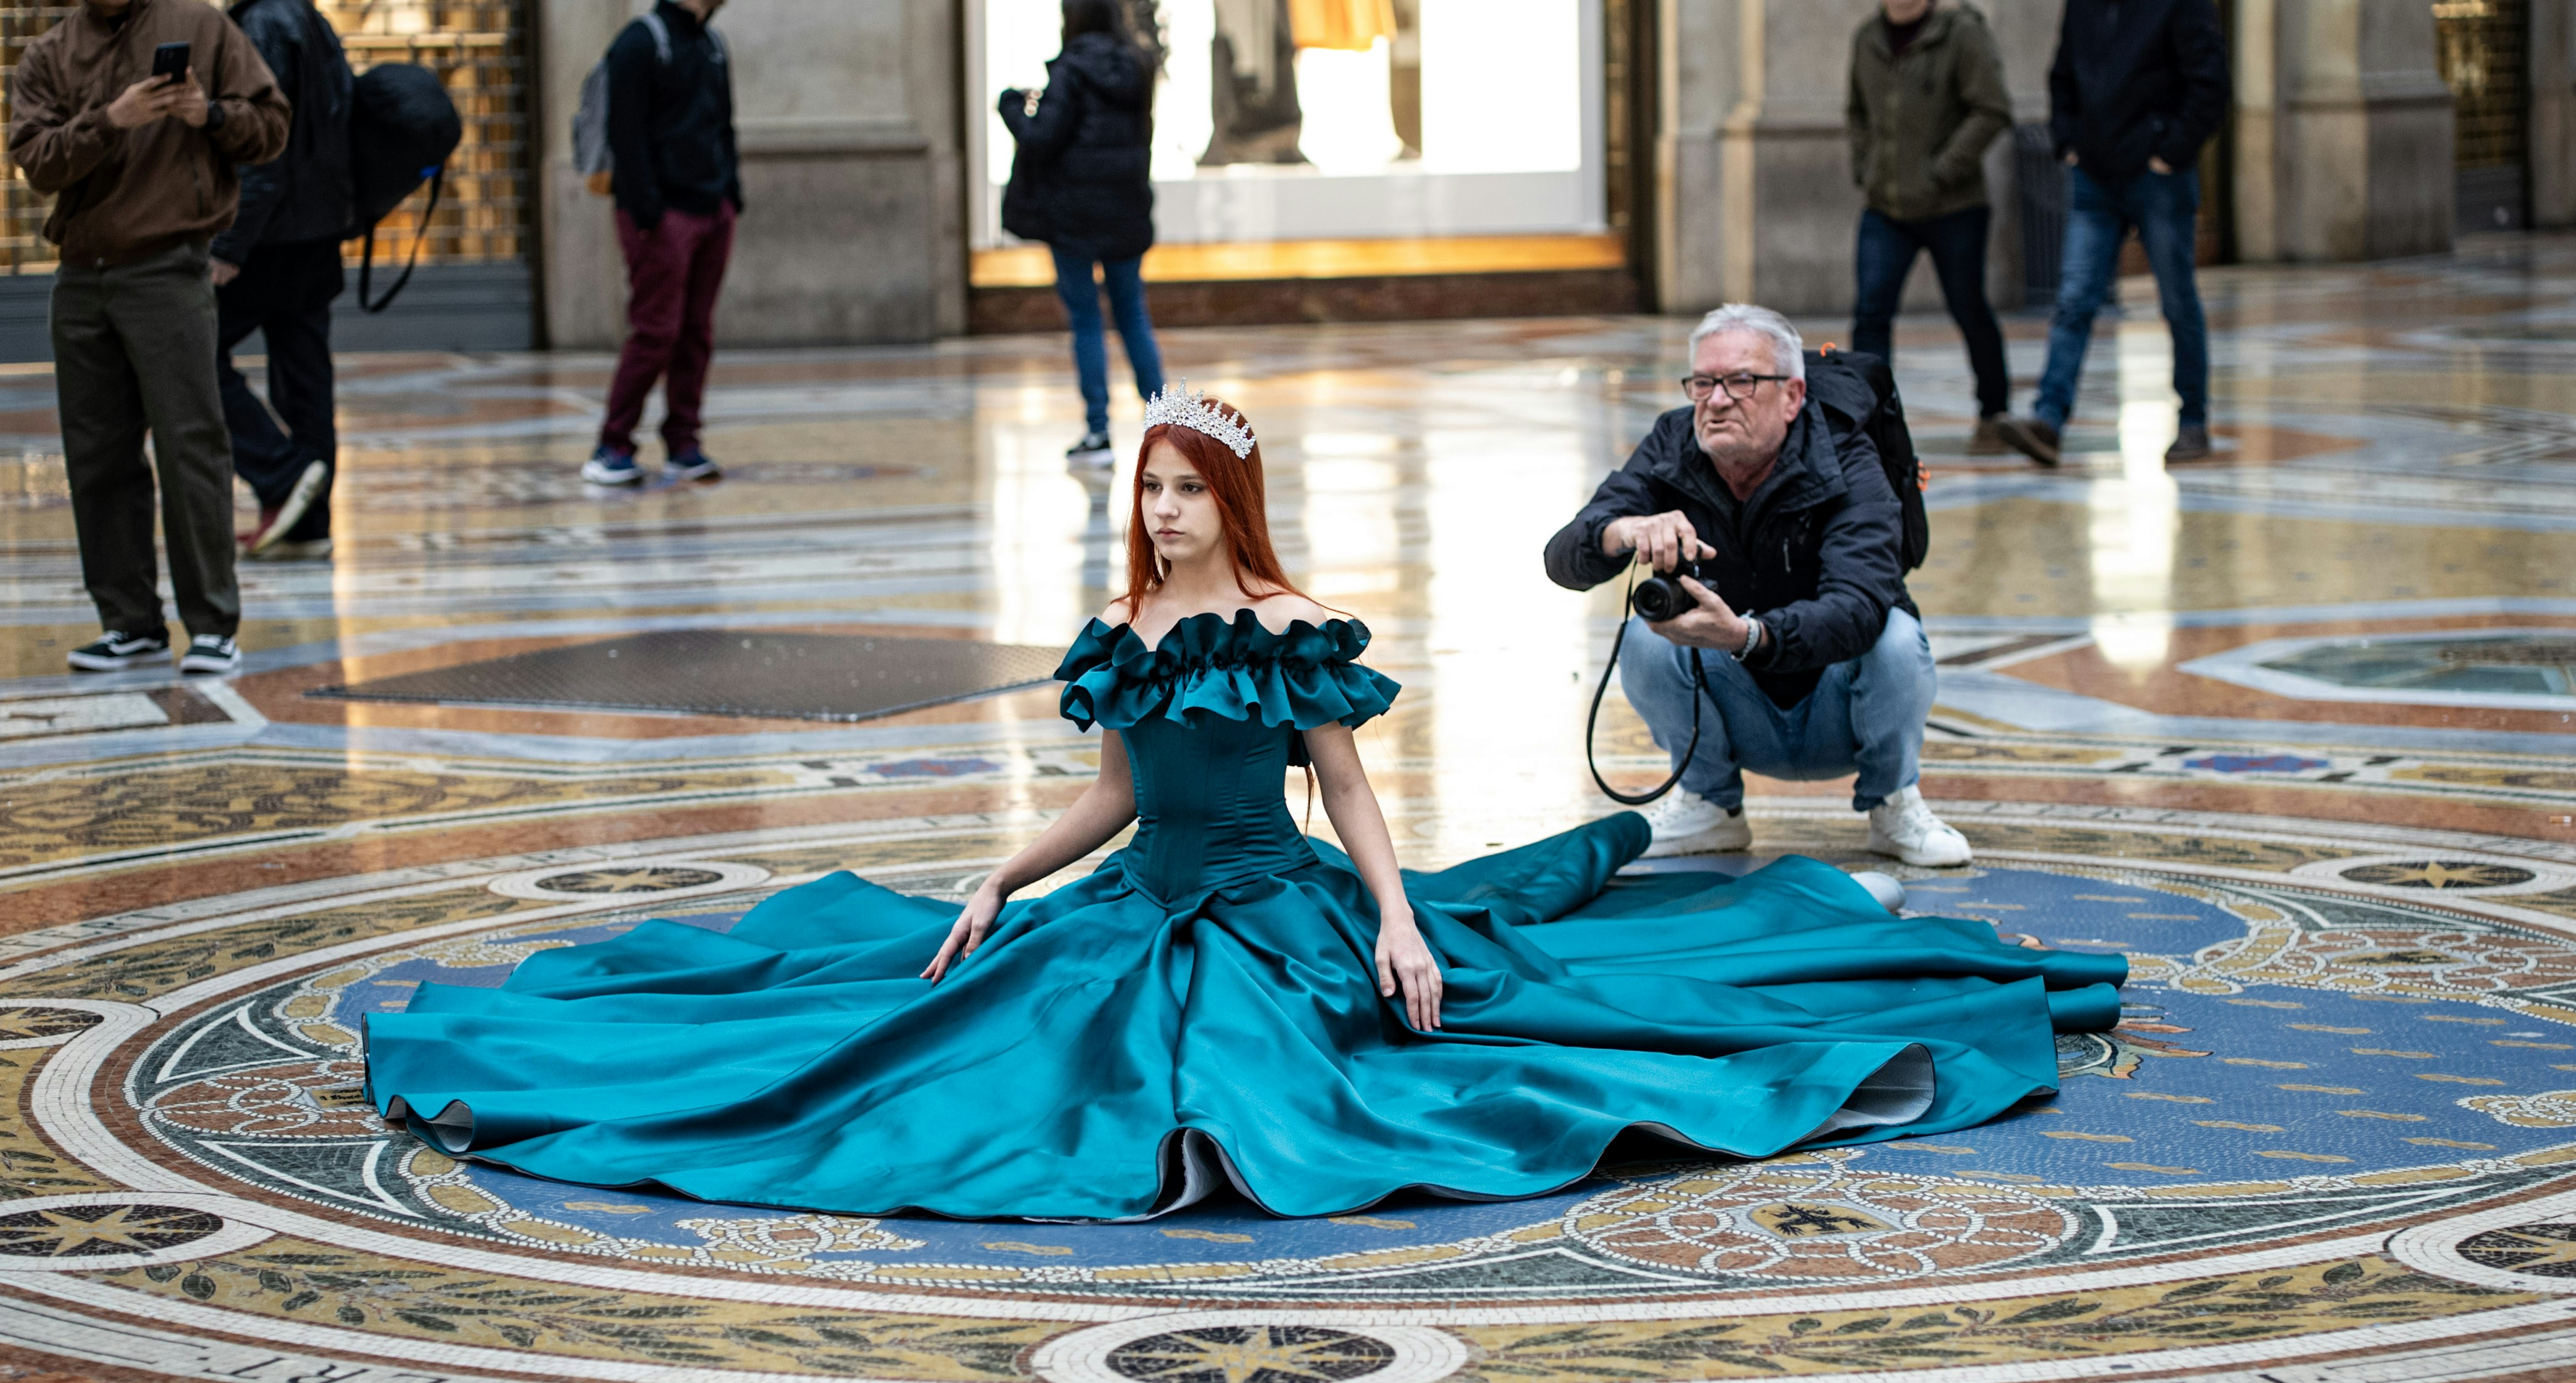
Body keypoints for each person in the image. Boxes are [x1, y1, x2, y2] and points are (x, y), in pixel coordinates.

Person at [361, 388, 2125, 1222]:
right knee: (927, 1039)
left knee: (1366, 1058)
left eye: (1188, 485)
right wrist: (996, 872)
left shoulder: (1288, 628)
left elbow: (1352, 792)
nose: (1164, 505)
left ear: (1234, 499)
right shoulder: (1123, 628)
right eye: (1149, 485)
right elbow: (1112, 802)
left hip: (1282, 901)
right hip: (1140, 899)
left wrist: (1400, 914)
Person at [1545, 304, 1972, 867]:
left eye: (1741, 382)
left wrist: (1747, 635)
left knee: (1895, 635)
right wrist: (1621, 530)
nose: (1716, 400)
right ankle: (1709, 804)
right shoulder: (1674, 441)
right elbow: (1561, 559)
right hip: (1736, 708)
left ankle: (1893, 801)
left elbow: (1859, 607)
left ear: (1792, 396)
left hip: (1837, 707)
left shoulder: (1848, 456)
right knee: (1644, 636)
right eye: (1703, 382)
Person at [9, 0, 290, 676]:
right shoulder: (51, 51)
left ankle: (213, 625)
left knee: (189, 444)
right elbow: (35, 162)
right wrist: (112, 120)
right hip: (81, 276)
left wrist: (209, 115)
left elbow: (272, 126)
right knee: (97, 454)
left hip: (167, 267)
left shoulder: (201, 26)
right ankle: (129, 621)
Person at [1992, 0, 2227, 469]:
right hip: (2096, 177)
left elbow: (2210, 82)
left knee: (2177, 300)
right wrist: (2068, 139)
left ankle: (2194, 421)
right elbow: (2062, 74)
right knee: (2074, 299)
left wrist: (2171, 150)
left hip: (2158, 176)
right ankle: (2049, 420)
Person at [581, 0, 740, 489]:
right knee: (656, 331)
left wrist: (731, 195)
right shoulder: (641, 42)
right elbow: (624, 134)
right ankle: (613, 444)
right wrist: (649, 209)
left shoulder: (711, 45)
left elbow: (724, 125)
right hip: (661, 214)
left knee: (696, 332)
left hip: (711, 208)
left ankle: (684, 443)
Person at [1000, 0, 1166, 468]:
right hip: (1126, 210)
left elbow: (1040, 139)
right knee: (1133, 314)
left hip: (1072, 218)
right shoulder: (1138, 66)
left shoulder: (1071, 70)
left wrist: (1011, 106)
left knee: (1087, 320)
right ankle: (1165, 429)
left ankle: (1098, 431)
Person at [214, 0, 350, 562]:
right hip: (318, 230)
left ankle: (282, 474)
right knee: (304, 375)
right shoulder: (311, 18)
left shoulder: (262, 23)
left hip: (271, 237)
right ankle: (308, 523)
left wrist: (229, 245)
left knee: (190, 350)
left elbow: (264, 146)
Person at [1845, 0, 2014, 451]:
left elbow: (1992, 108)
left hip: (1954, 206)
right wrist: (1866, 166)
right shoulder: (1867, 39)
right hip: (1886, 205)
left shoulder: (1961, 34)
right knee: (1871, 315)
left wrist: (1943, 170)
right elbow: (1856, 111)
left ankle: (1994, 414)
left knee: (1969, 308)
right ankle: (1870, 422)